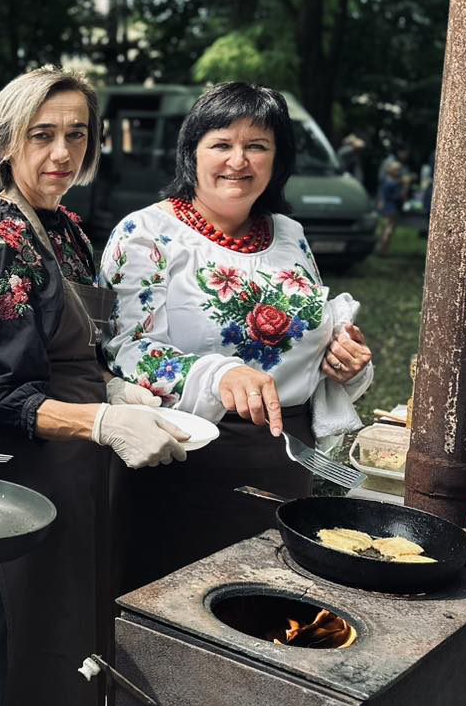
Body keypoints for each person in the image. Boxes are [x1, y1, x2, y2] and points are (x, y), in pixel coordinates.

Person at [0, 67, 188, 706]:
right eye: (42, 135)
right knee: (23, 667)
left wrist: (116, 390)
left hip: (80, 482)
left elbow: (79, 351)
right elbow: (2, 402)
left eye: (76, 134)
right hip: (27, 489)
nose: (61, 152)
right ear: (5, 142)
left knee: (65, 654)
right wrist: (104, 421)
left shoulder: (67, 231)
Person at [100, 80, 374, 602]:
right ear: (193, 152)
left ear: (277, 159)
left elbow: (310, 338)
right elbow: (124, 350)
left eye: (257, 146)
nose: (238, 160)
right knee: (175, 616)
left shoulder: (290, 235)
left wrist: (341, 358)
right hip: (184, 463)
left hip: (286, 463)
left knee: (268, 612)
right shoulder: (147, 234)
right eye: (221, 144)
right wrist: (220, 373)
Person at [375, 158, 408, 254]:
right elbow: (400, 196)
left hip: (386, 207)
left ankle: (381, 248)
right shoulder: (394, 183)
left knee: (383, 228)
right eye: (398, 170)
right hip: (392, 207)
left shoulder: (386, 180)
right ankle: (383, 250)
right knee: (389, 229)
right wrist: (405, 187)